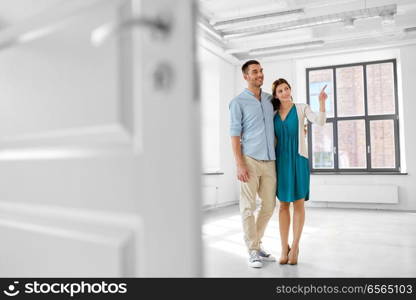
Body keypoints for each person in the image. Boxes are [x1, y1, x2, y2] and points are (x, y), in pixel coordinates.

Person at [271, 78, 327, 265]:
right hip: (281, 162)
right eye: (280, 91)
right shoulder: (273, 114)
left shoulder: (302, 108)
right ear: (276, 95)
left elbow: (319, 121)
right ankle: (283, 247)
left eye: (287, 88)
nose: (285, 92)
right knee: (284, 206)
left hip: (298, 160)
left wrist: (321, 101)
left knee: (299, 204)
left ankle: (295, 247)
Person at [229, 60, 277, 268]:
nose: (259, 75)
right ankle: (253, 251)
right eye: (254, 72)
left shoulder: (269, 100)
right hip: (249, 159)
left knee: (268, 205)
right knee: (248, 207)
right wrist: (239, 164)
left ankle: (256, 243)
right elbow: (234, 135)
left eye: (261, 71)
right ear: (246, 76)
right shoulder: (238, 102)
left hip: (270, 160)